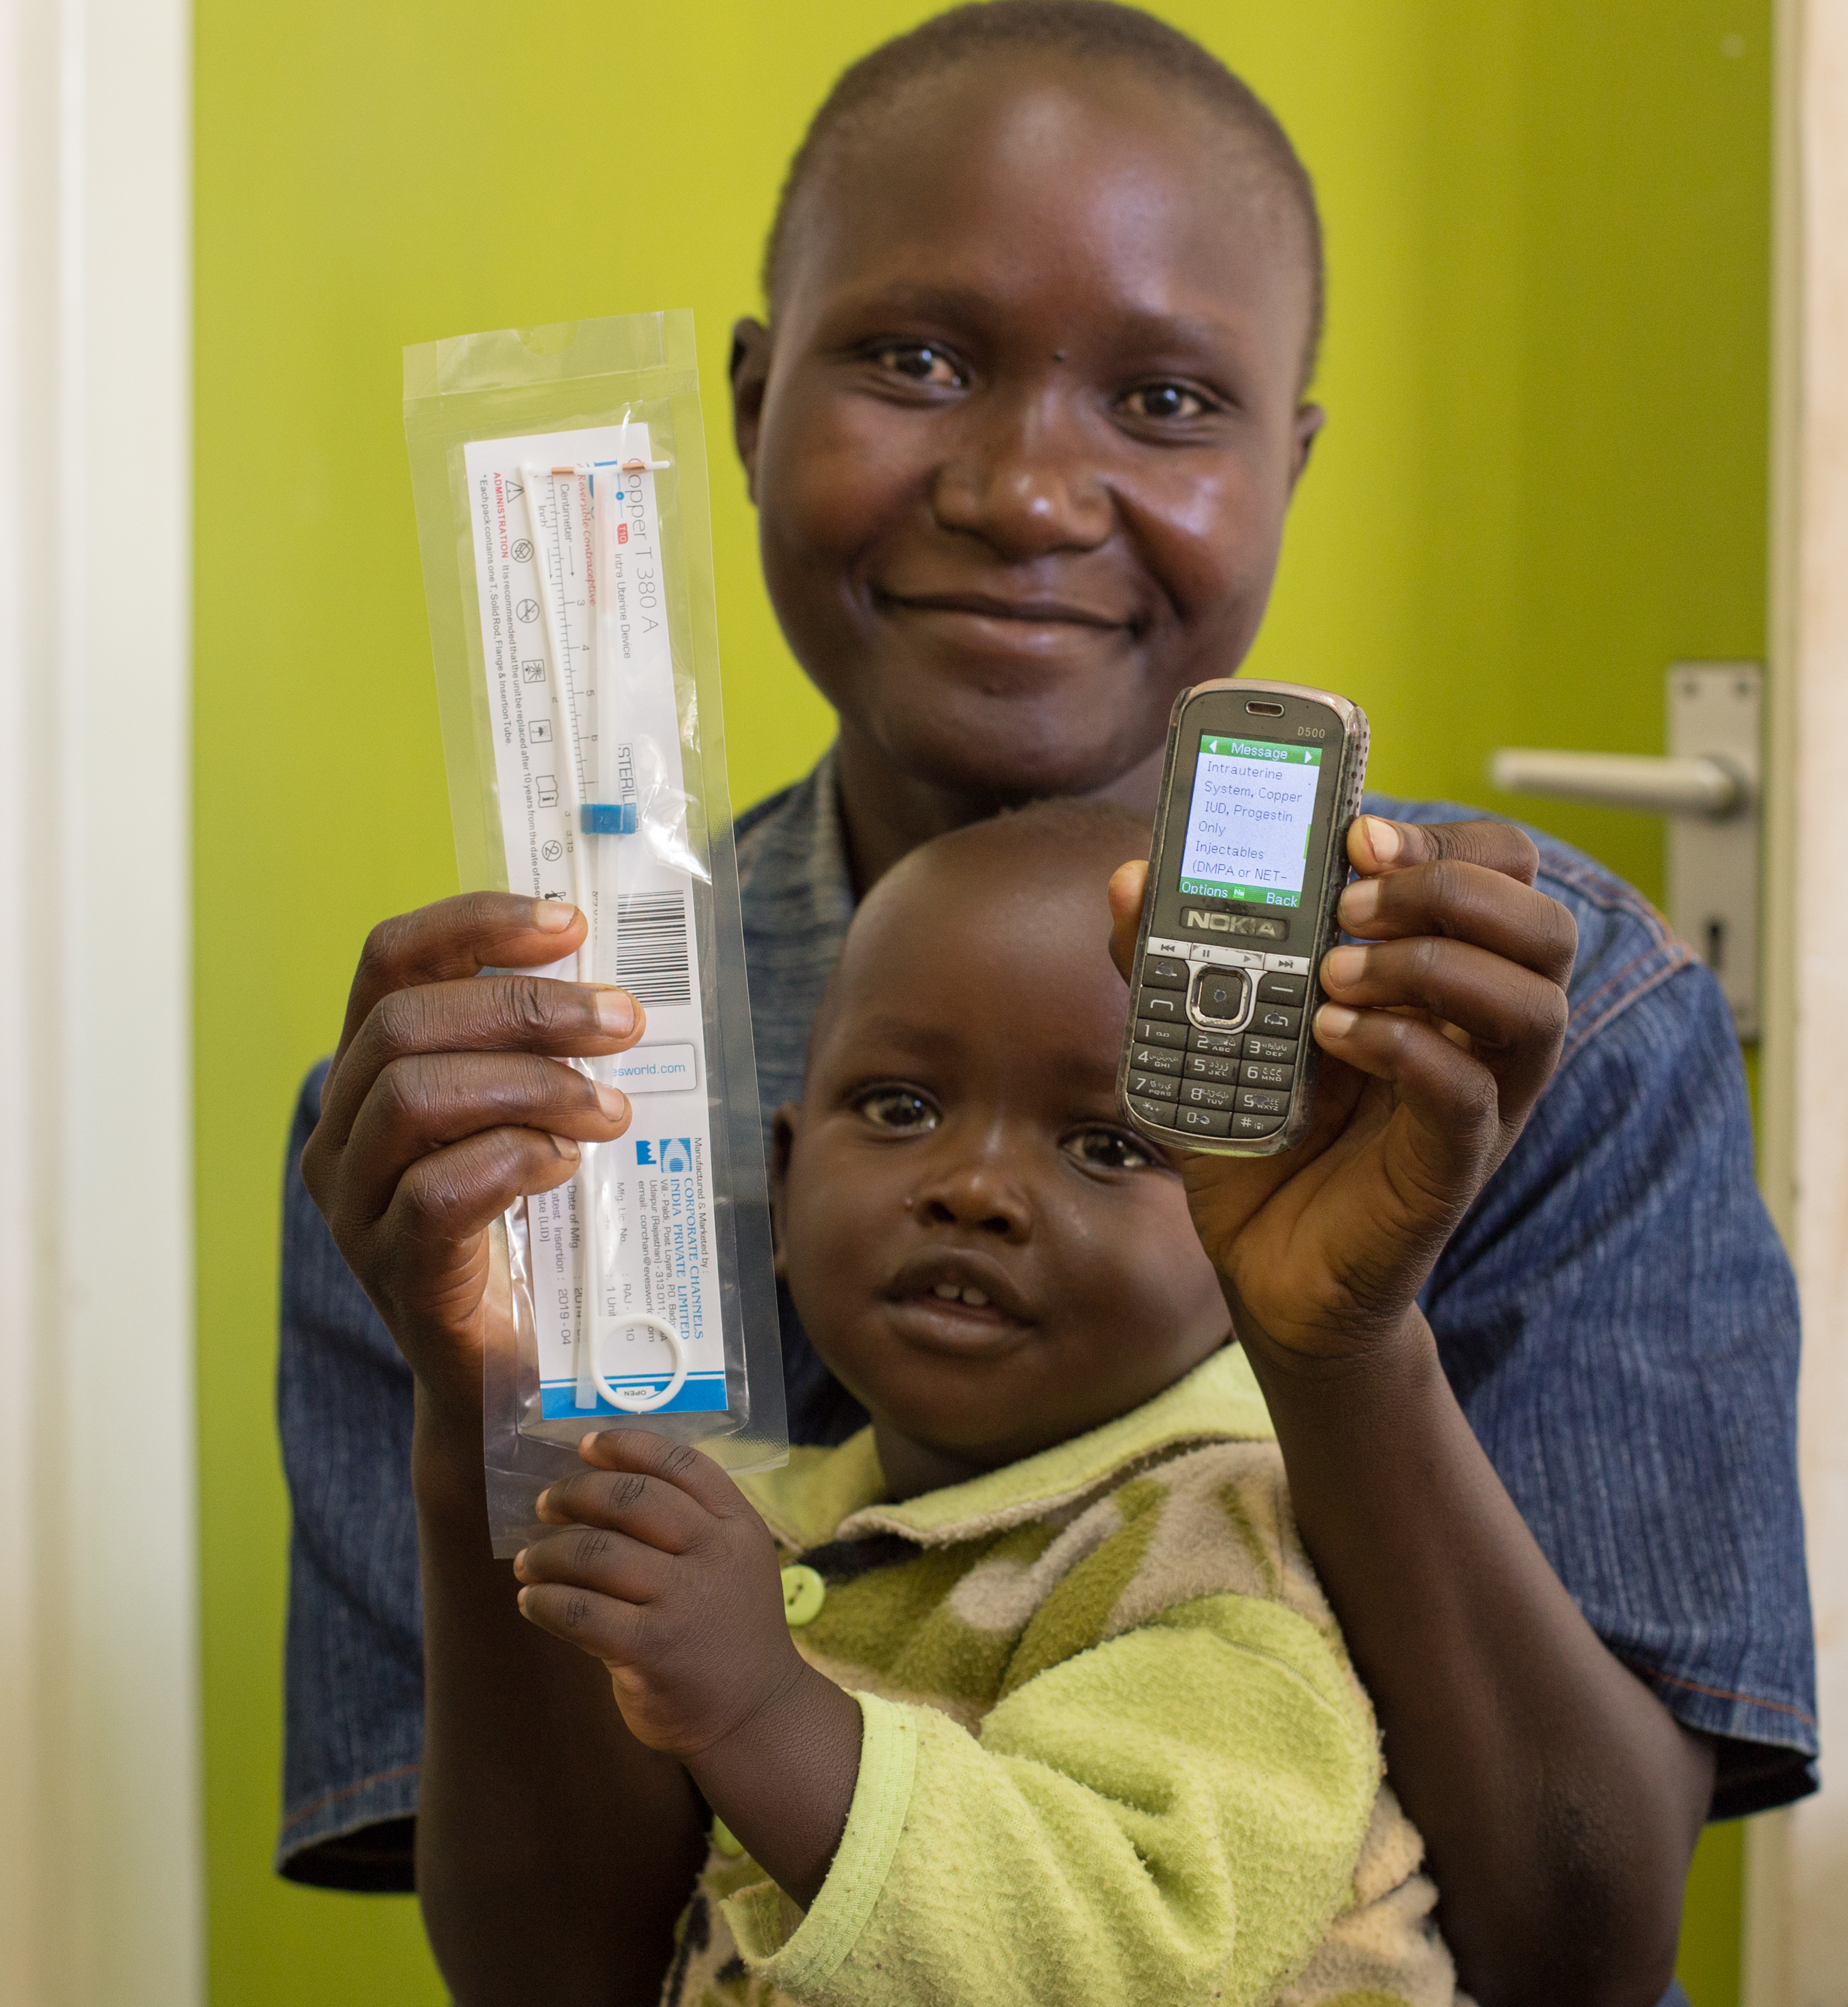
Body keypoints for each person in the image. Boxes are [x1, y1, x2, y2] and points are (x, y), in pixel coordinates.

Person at [286, 0, 1812, 2007]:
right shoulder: (509, 1092)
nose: (1022, 489)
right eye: (915, 360)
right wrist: (480, 1393)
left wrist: (1341, 1343)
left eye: (1168, 403)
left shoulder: (1546, 1034)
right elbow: (565, 1978)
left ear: (1291, 457)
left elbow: (1584, 1956)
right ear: (748, 401)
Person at [458, 801, 1464, 2005]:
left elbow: (1114, 1950)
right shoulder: (766, 1522)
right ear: (777, 1186)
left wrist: (764, 1704)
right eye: (900, 1109)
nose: (976, 1188)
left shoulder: (1226, 1546)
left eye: (1105, 1144)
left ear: (1246, 1227)